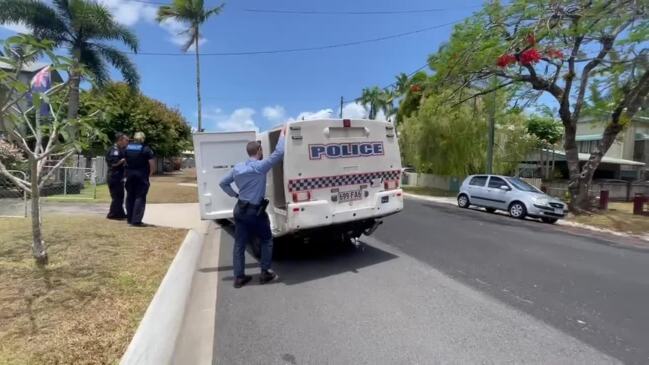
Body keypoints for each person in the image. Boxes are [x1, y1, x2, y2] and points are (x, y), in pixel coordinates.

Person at [219, 126, 286, 288]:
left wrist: (235, 195)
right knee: (266, 240)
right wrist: (283, 134)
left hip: (240, 209)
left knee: (240, 245)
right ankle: (265, 273)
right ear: (259, 151)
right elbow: (279, 153)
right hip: (255, 211)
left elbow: (222, 183)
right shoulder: (260, 166)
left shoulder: (238, 168)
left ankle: (239, 277)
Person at [124, 132, 155, 227]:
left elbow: (124, 160)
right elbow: (152, 163)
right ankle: (136, 221)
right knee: (140, 197)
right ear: (143, 139)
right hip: (141, 175)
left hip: (129, 175)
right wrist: (150, 173)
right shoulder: (145, 149)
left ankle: (129, 219)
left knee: (130, 196)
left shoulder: (127, 148)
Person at [105, 132, 129, 220]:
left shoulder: (121, 149)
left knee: (120, 196)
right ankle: (112, 214)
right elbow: (113, 163)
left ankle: (120, 213)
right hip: (114, 176)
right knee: (116, 196)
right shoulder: (114, 150)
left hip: (119, 176)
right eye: (124, 140)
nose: (126, 142)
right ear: (119, 140)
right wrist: (122, 161)